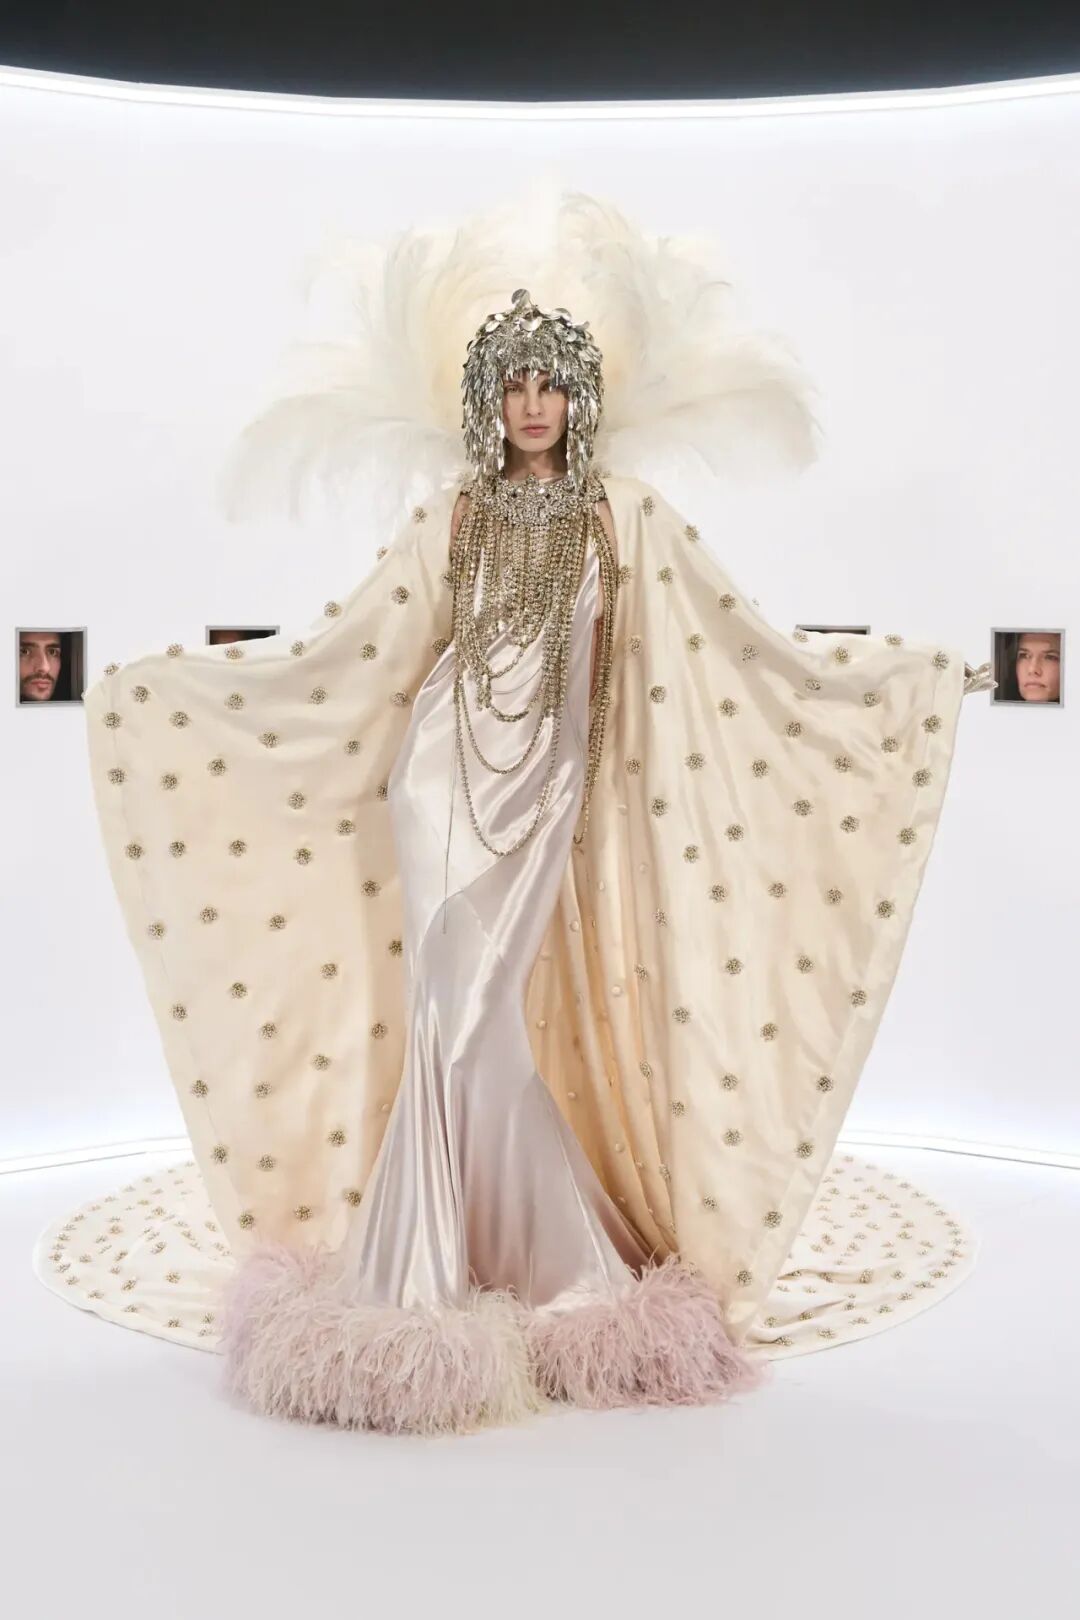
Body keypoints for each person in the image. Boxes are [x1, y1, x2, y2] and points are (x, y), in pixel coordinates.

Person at [72, 201, 996, 1438]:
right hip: (437, 787)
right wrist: (180, 686)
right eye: (512, 386)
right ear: (485, 400)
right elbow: (349, 644)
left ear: (580, 398)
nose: (532, 406)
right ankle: (437, 1273)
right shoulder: (452, 516)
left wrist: (898, 679)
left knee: (477, 1028)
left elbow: (739, 641)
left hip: (542, 796)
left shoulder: (626, 517)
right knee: (451, 1025)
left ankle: (523, 1264)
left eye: (550, 385)